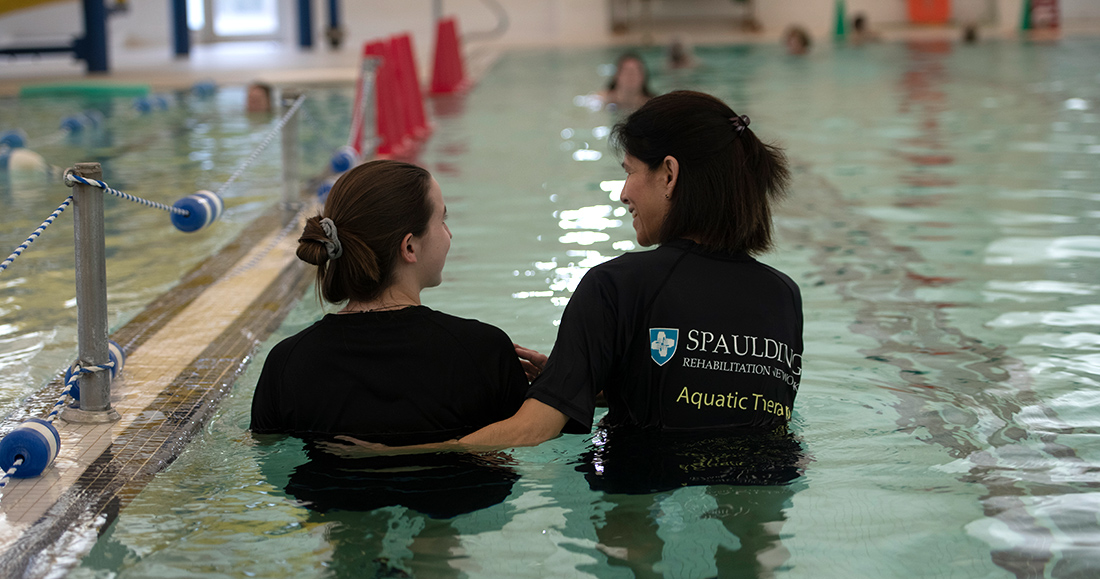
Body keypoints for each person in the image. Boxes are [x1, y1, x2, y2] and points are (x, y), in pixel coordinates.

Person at [334, 91, 802, 454]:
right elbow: (729, 402)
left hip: (642, 493)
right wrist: (590, 382)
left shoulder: (616, 284)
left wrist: (400, 454)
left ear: (670, 174)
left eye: (630, 171)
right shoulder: (784, 295)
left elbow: (534, 430)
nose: (623, 193)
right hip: (763, 488)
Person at [250, 160, 529, 442]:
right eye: (442, 221)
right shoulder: (483, 351)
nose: (449, 234)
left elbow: (267, 453)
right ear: (409, 246)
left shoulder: (287, 362)